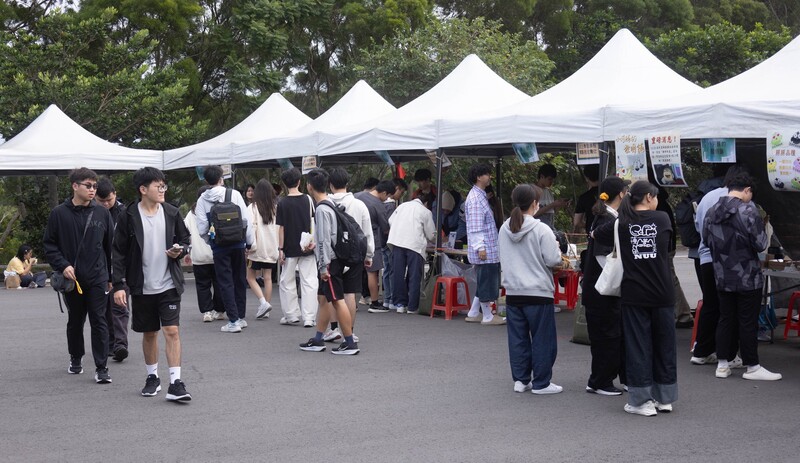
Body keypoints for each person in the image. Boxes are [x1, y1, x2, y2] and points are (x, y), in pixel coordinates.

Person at [593, 180, 676, 416]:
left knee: (638, 347)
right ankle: (664, 398)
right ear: (649, 197)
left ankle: (641, 401)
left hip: (634, 294)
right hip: (663, 293)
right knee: (664, 346)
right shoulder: (662, 219)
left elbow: (596, 234)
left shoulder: (621, 222)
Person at [112, 167, 192, 400]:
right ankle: (152, 377)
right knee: (149, 333)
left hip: (169, 283)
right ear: (143, 189)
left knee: (172, 331)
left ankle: (176, 383)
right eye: (158, 186)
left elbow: (185, 239)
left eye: (163, 186)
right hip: (141, 285)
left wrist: (180, 250)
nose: (162, 190)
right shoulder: (128, 216)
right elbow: (118, 252)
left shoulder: (172, 213)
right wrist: (118, 285)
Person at [702, 171, 781, 381]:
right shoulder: (748, 211)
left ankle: (722, 364)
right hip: (747, 274)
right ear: (746, 190)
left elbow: (705, 239)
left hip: (721, 273)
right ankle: (752, 366)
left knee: (725, 319)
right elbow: (761, 244)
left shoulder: (711, 211)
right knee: (747, 322)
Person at [44, 167, 114, 383]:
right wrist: (62, 264)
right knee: (75, 320)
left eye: (95, 186)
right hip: (72, 279)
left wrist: (111, 277)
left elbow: (110, 246)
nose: (93, 190)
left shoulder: (102, 212)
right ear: (75, 186)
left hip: (97, 276)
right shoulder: (59, 213)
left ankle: (102, 367)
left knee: (99, 320)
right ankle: (76, 357)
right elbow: (49, 244)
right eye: (88, 185)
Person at [498, 183, 564, 395]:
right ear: (535, 204)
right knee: (542, 339)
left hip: (513, 292)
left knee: (518, 339)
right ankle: (542, 382)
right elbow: (553, 259)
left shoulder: (504, 227)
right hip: (538, 292)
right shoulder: (541, 228)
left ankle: (521, 379)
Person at [299, 168, 359, 355]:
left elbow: (325, 240)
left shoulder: (322, 208)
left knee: (336, 300)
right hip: (334, 259)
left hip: (330, 263)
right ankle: (318, 339)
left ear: (309, 186)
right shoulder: (330, 203)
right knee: (323, 299)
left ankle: (349, 342)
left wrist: (323, 266)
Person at [690, 166, 744, 367]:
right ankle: (729, 356)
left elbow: (698, 226)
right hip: (729, 262)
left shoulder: (707, 197)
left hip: (705, 257)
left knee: (710, 305)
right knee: (730, 309)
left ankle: (701, 351)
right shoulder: (740, 200)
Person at [581, 177, 628, 396]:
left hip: (598, 289)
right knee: (606, 336)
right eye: (626, 190)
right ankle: (600, 381)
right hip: (603, 290)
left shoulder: (605, 216)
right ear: (621, 194)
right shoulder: (607, 219)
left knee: (608, 335)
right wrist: (618, 276)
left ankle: (605, 378)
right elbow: (603, 257)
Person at [195, 165, 255, 333]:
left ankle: (233, 320)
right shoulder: (234, 194)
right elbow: (246, 221)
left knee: (225, 282)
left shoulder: (202, 200)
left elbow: (202, 228)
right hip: (238, 244)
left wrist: (211, 241)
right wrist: (248, 243)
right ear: (221, 178)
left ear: (206, 181)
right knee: (239, 279)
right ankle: (240, 317)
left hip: (219, 247)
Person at [276, 168, 319, 327]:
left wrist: (280, 249)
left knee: (287, 281)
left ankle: (291, 314)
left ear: (285, 184)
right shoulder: (308, 199)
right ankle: (309, 317)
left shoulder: (282, 203)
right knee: (309, 281)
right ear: (299, 181)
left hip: (289, 247)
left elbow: (281, 228)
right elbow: (314, 221)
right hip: (307, 246)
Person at [464, 163, 505, 325]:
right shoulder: (475, 199)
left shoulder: (480, 195)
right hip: (485, 247)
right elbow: (475, 227)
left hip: (488, 246)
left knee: (484, 279)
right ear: (478, 177)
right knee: (487, 279)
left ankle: (474, 312)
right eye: (486, 174)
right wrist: (480, 247)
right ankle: (487, 315)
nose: (489, 176)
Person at [96, 177, 130, 362]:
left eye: (109, 200)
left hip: (121, 267)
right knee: (103, 308)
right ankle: (110, 343)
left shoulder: (125, 213)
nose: (106, 204)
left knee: (119, 306)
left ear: (115, 194)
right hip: (99, 268)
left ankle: (120, 344)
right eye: (101, 201)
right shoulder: (92, 213)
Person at [387, 192, 436, 314]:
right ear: (426, 203)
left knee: (398, 273)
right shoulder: (425, 212)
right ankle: (412, 307)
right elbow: (431, 234)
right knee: (415, 276)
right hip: (414, 245)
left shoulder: (402, 206)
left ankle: (399, 304)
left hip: (397, 242)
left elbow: (390, 220)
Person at [655, 188, 694, 329]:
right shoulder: (662, 203)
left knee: (669, 278)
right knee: (668, 277)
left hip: (663, 248)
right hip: (668, 246)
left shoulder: (656, 205)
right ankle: (680, 314)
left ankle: (683, 314)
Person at [185, 186, 225, 323]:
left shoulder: (191, 214)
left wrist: (188, 251)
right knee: (219, 283)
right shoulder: (216, 209)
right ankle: (219, 310)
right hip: (217, 253)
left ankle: (207, 311)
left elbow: (186, 233)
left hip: (199, 256)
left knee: (202, 285)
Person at [355, 180, 393, 314]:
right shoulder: (378, 205)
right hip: (371, 240)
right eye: (387, 196)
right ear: (383, 192)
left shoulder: (356, 196)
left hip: (353, 239)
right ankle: (375, 302)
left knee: (353, 271)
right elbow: (385, 228)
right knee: (372, 272)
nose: (386, 199)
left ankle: (352, 302)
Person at [246, 179, 279, 320]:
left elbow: (248, 228)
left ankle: (263, 302)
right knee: (268, 278)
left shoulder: (252, 208)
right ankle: (267, 306)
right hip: (272, 249)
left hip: (256, 249)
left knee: (250, 277)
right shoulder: (275, 208)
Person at [380, 178, 408, 311]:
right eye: (401, 192)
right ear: (396, 189)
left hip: (381, 241)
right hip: (390, 242)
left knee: (386, 270)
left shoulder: (381, 203)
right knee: (392, 270)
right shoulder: (391, 206)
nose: (400, 195)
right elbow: (391, 224)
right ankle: (392, 298)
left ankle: (387, 298)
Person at [533, 163, 570, 230]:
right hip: (538, 230)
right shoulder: (533, 191)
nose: (551, 182)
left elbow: (553, 212)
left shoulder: (549, 192)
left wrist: (559, 204)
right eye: (549, 179)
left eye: (553, 179)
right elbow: (532, 214)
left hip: (549, 228)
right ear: (542, 176)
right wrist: (553, 204)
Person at [572, 165, 599, 236]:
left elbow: (577, 222)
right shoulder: (610, 192)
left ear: (587, 178)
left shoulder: (584, 197)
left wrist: (588, 225)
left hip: (592, 234)